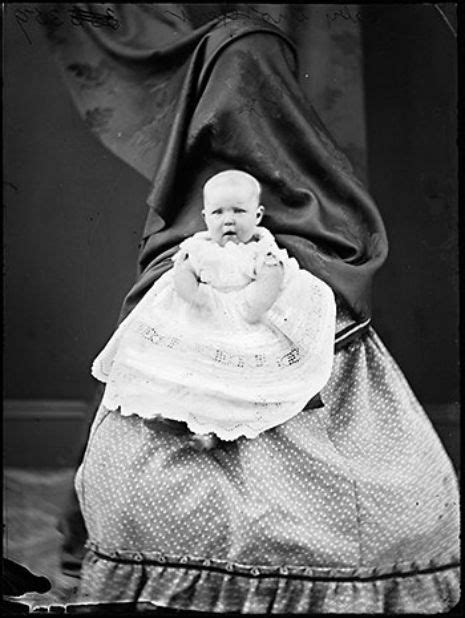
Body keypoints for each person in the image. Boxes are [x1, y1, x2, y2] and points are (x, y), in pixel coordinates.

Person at [42, 5, 460, 613]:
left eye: (255, 92)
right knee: (142, 457)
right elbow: (174, 271)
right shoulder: (197, 208)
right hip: (194, 378)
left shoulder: (314, 196)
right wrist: (191, 287)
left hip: (295, 354)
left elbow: (343, 248)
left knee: (373, 493)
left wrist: (288, 282)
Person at [90, 170, 336, 449]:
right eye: (218, 212)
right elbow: (182, 274)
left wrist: (254, 306)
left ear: (257, 216)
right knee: (188, 367)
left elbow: (271, 280)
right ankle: (178, 417)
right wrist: (195, 296)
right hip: (205, 311)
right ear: (206, 217)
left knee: (232, 377)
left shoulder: (261, 251)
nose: (228, 219)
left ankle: (219, 427)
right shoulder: (198, 248)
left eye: (239, 211)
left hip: (245, 316)